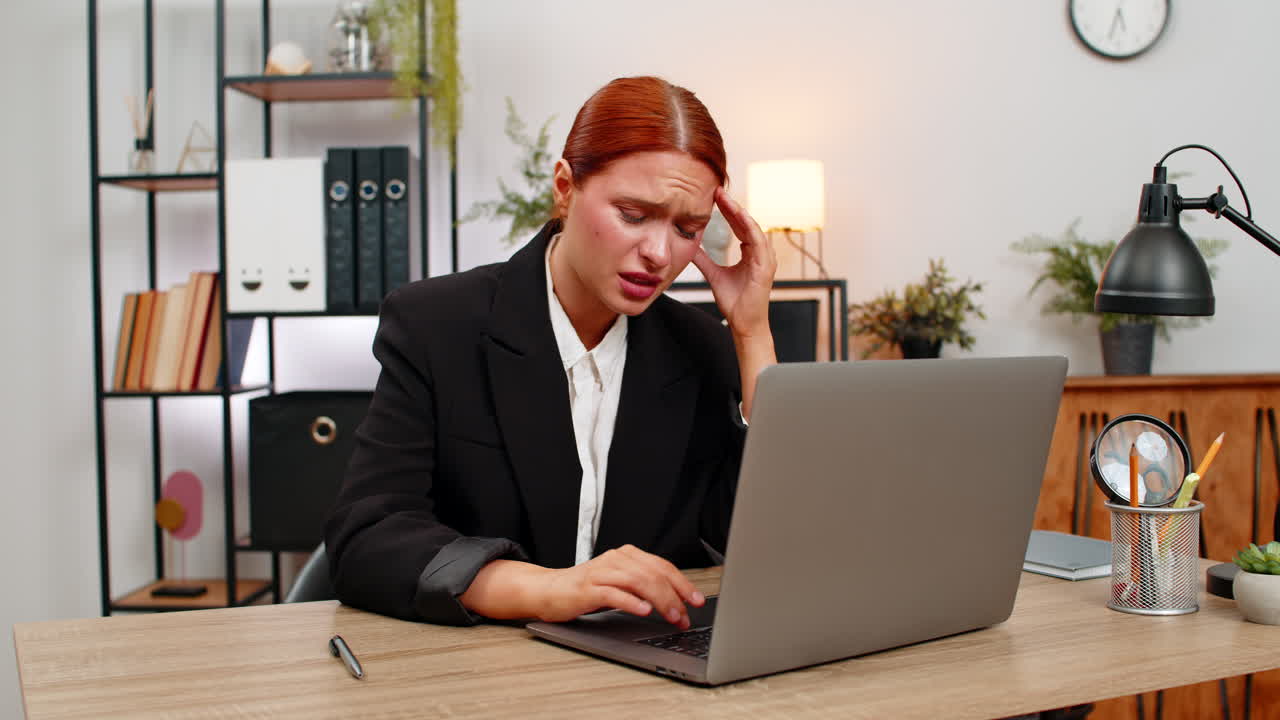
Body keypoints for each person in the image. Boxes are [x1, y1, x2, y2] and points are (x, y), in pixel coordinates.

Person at [325, 76, 778, 628]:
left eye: (689, 228)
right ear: (565, 187)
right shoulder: (436, 325)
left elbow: (768, 543)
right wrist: (547, 589)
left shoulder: (699, 346)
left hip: (645, 676)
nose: (660, 254)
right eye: (633, 215)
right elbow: (367, 537)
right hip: (479, 675)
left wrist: (753, 332)